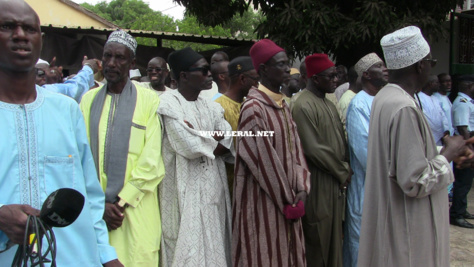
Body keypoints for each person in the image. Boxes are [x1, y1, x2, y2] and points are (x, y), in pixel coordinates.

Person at [0, 1, 122, 266]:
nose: (20, 35)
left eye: (29, 29)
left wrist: (106, 255)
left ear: (40, 40)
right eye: (7, 26)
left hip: (73, 257)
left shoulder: (65, 109)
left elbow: (89, 193)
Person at [358, 26, 470, 267]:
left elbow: (402, 157)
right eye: (431, 62)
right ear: (420, 65)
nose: (432, 68)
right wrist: (448, 155)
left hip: (394, 222)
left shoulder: (385, 97)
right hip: (407, 231)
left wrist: (444, 151)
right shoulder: (403, 108)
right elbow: (414, 180)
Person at [80, 30, 164, 266]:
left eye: (120, 58)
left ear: (132, 63)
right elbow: (80, 157)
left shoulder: (149, 101)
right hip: (96, 213)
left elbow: (152, 161)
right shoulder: (87, 100)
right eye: (107, 57)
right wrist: (100, 207)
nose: (111, 64)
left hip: (135, 211)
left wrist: (118, 204)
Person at [233, 39, 310, 267]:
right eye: (281, 64)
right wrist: (289, 200)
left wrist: (302, 188)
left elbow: (297, 151)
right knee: (264, 254)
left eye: (287, 63)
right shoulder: (253, 109)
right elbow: (264, 164)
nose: (287, 69)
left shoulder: (283, 106)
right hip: (263, 202)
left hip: (291, 200)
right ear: (264, 70)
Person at [158, 47, 233, 267]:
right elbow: (189, 145)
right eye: (203, 70)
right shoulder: (168, 104)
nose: (210, 74)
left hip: (213, 190)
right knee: (187, 250)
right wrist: (211, 138)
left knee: (214, 248)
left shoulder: (210, 106)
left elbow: (229, 139)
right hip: (183, 189)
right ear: (183, 76)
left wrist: (201, 135)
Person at [291, 53, 350, 267]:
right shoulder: (302, 106)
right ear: (315, 78)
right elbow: (314, 149)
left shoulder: (328, 103)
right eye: (331, 76)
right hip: (317, 182)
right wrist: (342, 171)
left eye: (337, 76)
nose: (336, 80)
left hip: (333, 181)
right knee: (318, 241)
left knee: (334, 239)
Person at [342, 52, 388, 267]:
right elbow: (366, 154)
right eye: (380, 66)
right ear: (367, 75)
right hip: (366, 189)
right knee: (361, 246)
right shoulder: (359, 104)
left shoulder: (383, 99)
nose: (386, 69)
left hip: (385, 186)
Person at [215, 56, 258, 197]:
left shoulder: (251, 104)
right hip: (228, 180)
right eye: (255, 79)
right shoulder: (218, 106)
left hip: (252, 179)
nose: (257, 85)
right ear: (243, 79)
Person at [450, 75, 474, 229]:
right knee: (462, 181)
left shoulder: (468, 102)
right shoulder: (462, 103)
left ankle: (462, 209)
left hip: (468, 143)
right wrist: (469, 149)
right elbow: (462, 127)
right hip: (464, 145)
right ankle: (456, 215)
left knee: (467, 181)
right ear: (469, 86)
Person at [416, 75, 451, 146]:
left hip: (440, 138)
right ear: (431, 84)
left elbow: (442, 115)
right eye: (437, 83)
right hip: (429, 138)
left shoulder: (435, 99)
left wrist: (446, 130)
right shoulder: (419, 98)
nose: (439, 85)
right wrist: (437, 133)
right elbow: (427, 119)